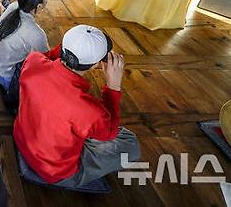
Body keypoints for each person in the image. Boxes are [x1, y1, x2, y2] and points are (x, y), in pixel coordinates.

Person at [14, 25, 140, 189]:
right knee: (130, 143)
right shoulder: (88, 110)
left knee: (84, 125)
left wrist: (74, 44)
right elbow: (109, 133)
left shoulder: (32, 62)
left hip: (23, 139)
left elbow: (50, 56)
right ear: (95, 65)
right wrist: (113, 87)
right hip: (54, 170)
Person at [0, 0, 48, 91]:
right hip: (3, 74)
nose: (47, 0)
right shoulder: (37, 34)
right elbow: (45, 61)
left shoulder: (13, 6)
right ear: (39, 6)